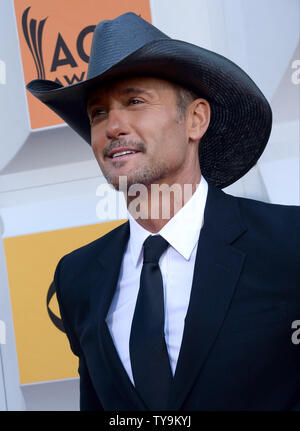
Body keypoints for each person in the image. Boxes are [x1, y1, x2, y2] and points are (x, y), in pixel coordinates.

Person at [27, 12, 300, 411]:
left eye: (135, 101)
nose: (112, 125)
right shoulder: (78, 276)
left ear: (195, 119)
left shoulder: (288, 241)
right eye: (98, 113)